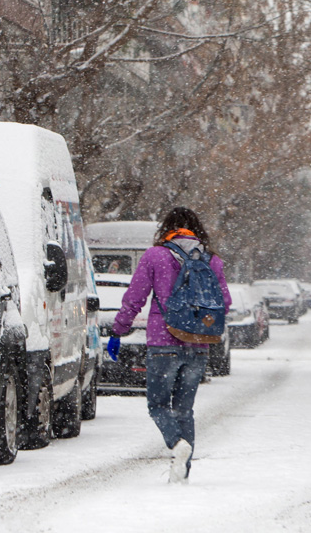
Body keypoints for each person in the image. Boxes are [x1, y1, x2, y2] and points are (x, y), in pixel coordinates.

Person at [110, 207, 232, 483]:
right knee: (184, 409)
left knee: (157, 405)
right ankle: (182, 473)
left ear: (167, 228)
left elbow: (135, 297)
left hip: (163, 343)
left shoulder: (155, 256)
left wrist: (119, 330)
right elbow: (224, 302)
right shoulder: (212, 260)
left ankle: (176, 444)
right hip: (198, 344)